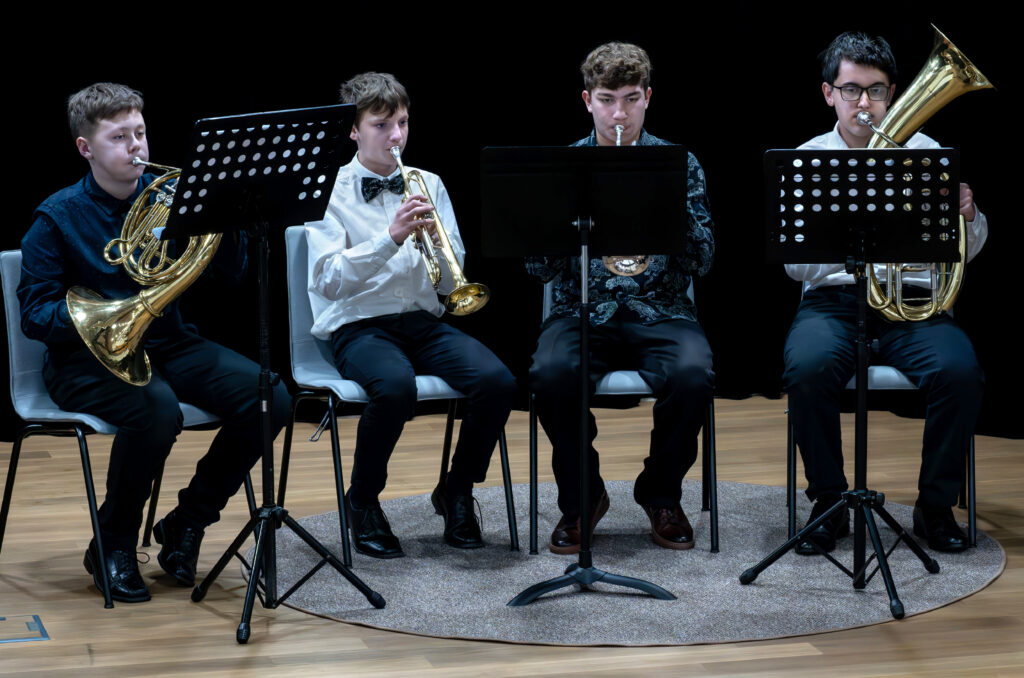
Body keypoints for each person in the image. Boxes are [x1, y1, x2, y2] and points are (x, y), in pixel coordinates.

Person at [18, 82, 291, 603]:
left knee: (270, 398)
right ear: (85, 148)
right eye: (119, 137)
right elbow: (35, 315)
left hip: (168, 341)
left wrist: (227, 222)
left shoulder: (173, 198)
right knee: (156, 410)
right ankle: (113, 542)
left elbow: (231, 280)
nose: (136, 147)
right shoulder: (56, 218)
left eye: (140, 133)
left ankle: (188, 520)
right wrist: (108, 315)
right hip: (83, 359)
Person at [783, 32, 987, 555]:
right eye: (851, 90)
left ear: (892, 93)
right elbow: (796, 267)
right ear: (829, 94)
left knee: (959, 373)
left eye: (875, 90)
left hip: (913, 305)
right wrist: (853, 241)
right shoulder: (808, 159)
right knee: (806, 371)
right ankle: (830, 503)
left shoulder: (927, 153)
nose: (864, 103)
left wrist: (968, 217)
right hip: (833, 303)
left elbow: (965, 252)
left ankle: (934, 507)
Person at [305, 72, 515, 559]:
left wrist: (438, 252)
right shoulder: (329, 191)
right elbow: (328, 280)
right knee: (395, 388)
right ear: (353, 130)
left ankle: (456, 489)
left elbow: (450, 279)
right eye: (381, 125)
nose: (396, 136)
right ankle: (362, 500)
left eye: (401, 122)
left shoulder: (428, 183)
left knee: (498, 382)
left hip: (422, 321)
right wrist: (390, 238)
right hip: (359, 325)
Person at [527, 43, 715, 554]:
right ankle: (583, 498)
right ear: (587, 100)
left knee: (693, 377)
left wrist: (667, 208)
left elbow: (702, 261)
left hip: (663, 309)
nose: (618, 115)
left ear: (648, 98)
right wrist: (559, 223)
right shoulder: (564, 166)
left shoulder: (680, 163)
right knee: (550, 374)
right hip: (580, 310)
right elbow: (538, 269)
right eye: (607, 100)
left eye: (631, 99)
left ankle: (660, 493)